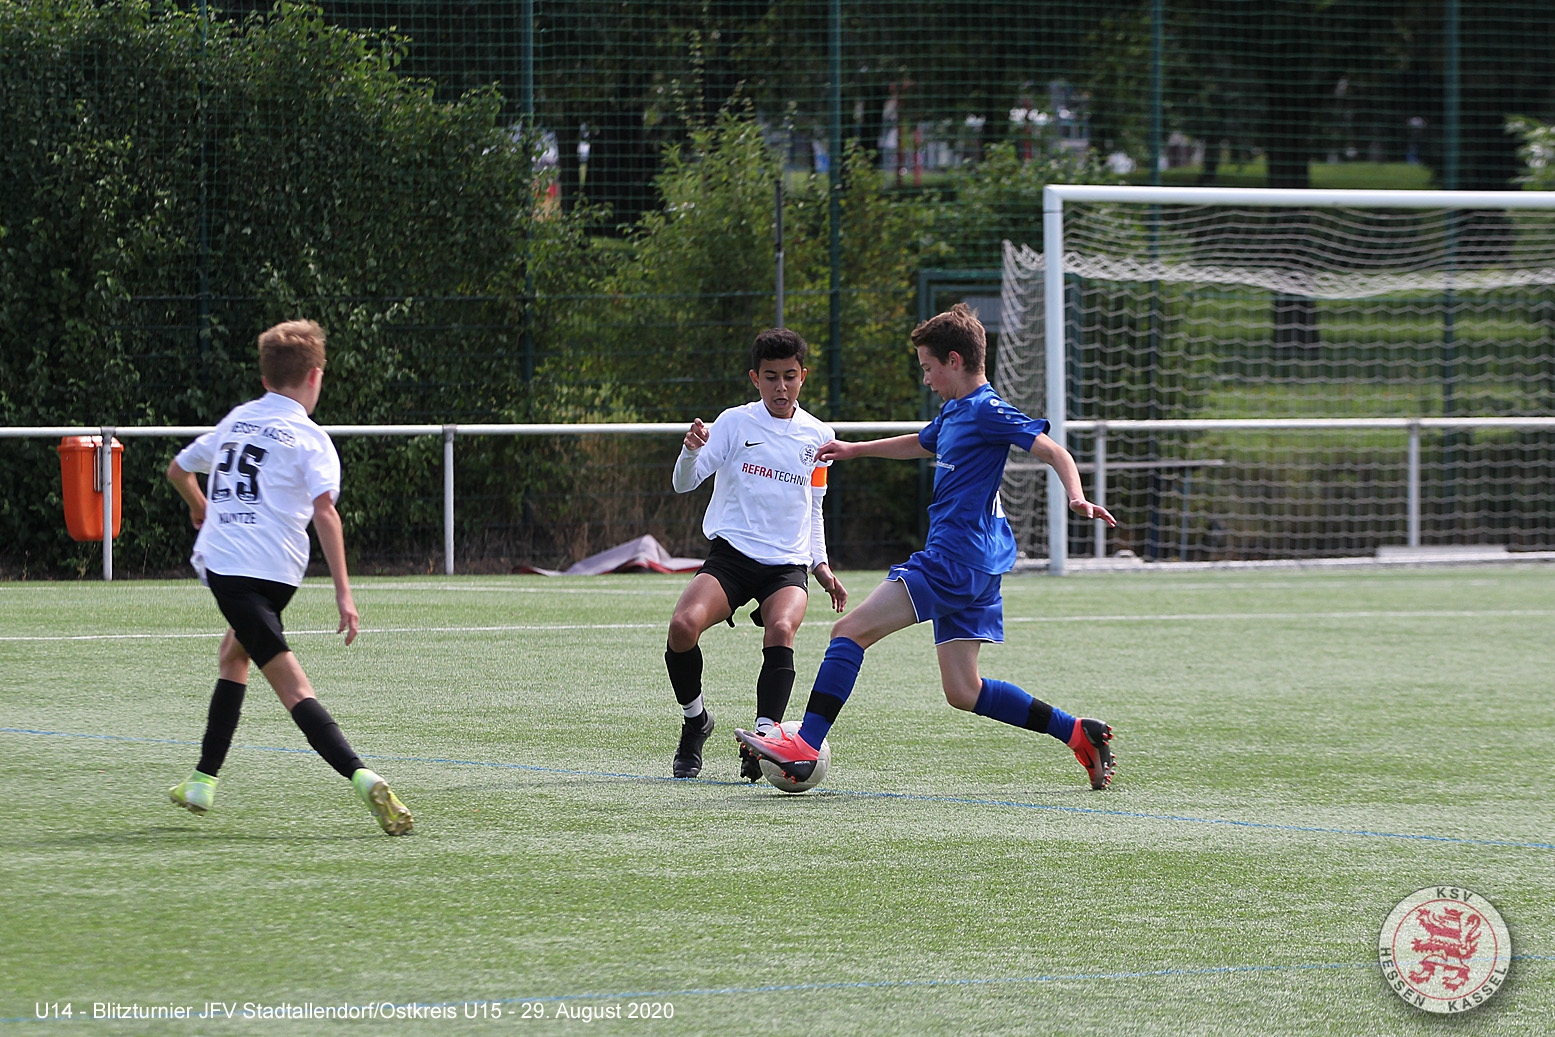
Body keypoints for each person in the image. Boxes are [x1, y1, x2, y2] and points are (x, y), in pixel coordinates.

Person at [736, 304, 1119, 790]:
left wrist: (1077, 497)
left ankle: (805, 747)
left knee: (849, 631)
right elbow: (921, 442)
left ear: (954, 361)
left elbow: (1053, 451)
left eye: (927, 367)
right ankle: (1077, 732)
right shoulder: (956, 410)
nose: (926, 379)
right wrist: (854, 450)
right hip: (977, 565)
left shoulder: (987, 409)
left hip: (954, 559)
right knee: (964, 689)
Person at [164, 320, 413, 835]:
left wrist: (200, 506)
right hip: (279, 574)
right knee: (233, 653)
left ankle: (361, 776)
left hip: (230, 570)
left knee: (292, 687)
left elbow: (178, 469)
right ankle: (202, 780)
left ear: (264, 378)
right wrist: (344, 593)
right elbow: (325, 513)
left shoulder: (237, 421)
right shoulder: (312, 439)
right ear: (315, 376)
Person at [665, 328, 848, 779]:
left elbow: (814, 510)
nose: (781, 387)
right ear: (755, 378)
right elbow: (684, 483)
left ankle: (765, 741)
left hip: (787, 566)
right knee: (683, 626)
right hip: (731, 558)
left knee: (781, 627)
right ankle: (695, 722)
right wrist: (689, 453)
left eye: (790, 376)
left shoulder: (819, 435)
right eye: (771, 377)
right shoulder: (733, 423)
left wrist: (821, 566)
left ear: (803, 376)